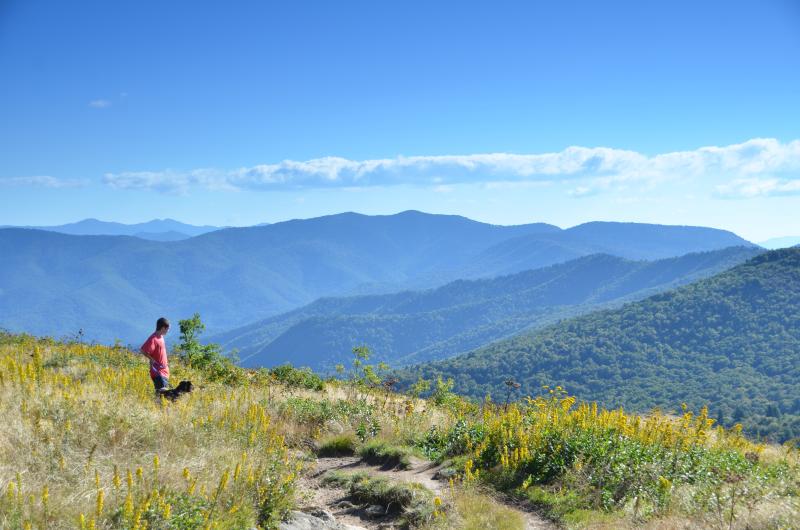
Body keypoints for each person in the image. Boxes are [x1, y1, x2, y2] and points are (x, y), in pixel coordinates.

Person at [140, 317, 171, 392]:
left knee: (162, 395)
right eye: (168, 329)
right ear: (163, 328)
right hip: (158, 372)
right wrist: (151, 359)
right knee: (162, 396)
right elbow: (143, 350)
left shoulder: (161, 337)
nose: (168, 331)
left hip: (164, 371)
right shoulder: (153, 339)